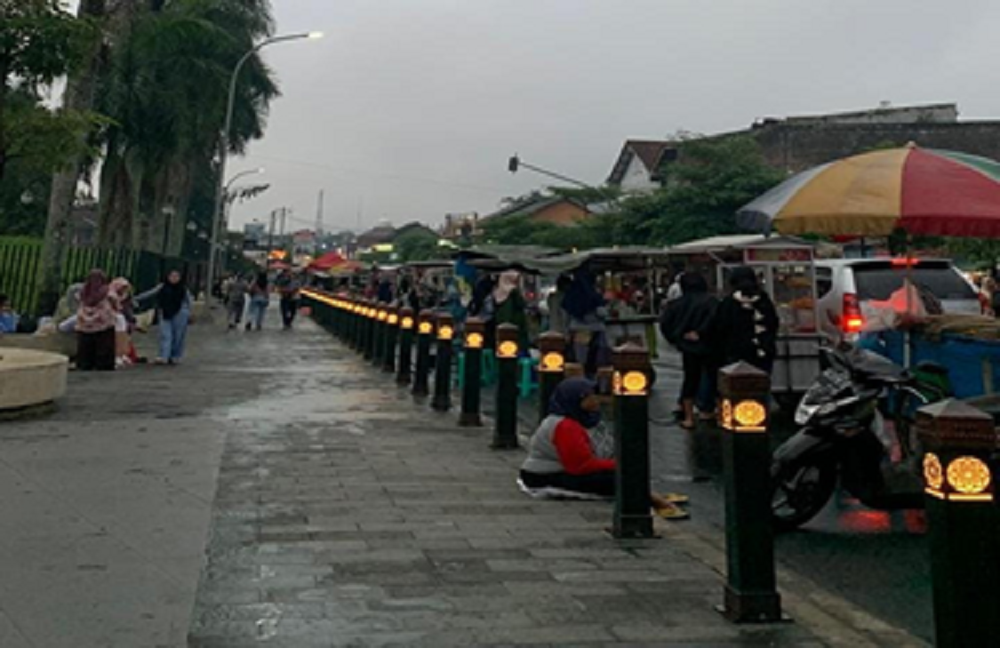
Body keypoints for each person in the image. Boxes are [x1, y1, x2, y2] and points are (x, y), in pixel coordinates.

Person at [520, 378, 689, 519]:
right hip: (543, 477)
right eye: (588, 397)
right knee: (616, 479)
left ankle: (649, 494)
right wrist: (617, 464)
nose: (595, 400)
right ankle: (655, 501)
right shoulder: (565, 425)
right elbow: (579, 466)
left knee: (622, 474)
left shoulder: (582, 419)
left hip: (564, 470)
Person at [660, 273, 718, 429]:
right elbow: (716, 321)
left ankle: (688, 417)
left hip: (687, 347)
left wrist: (676, 339)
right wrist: (701, 333)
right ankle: (708, 410)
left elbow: (665, 324)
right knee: (712, 377)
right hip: (710, 345)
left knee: (690, 379)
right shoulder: (711, 301)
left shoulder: (675, 304)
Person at [712, 266, 779, 374]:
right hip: (762, 352)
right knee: (760, 383)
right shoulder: (764, 300)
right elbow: (773, 323)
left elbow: (721, 328)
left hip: (736, 353)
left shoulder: (728, 303)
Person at [137, 269, 192, 365]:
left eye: (176, 276)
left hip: (180, 313)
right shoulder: (162, 287)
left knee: (178, 336)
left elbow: (189, 301)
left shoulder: (183, 289)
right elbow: (150, 293)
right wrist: (135, 298)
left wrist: (189, 313)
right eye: (172, 276)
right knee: (165, 335)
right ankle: (164, 356)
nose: (174, 279)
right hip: (165, 312)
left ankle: (175, 356)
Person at [564, 269, 609, 375]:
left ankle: (580, 374)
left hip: (577, 328)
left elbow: (568, 311)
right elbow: (601, 312)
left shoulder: (573, 293)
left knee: (580, 356)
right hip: (595, 329)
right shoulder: (592, 294)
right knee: (594, 356)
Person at [75, 269, 118, 371]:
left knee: (85, 344)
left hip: (85, 324)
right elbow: (115, 303)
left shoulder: (84, 291)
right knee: (104, 344)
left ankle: (85, 363)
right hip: (103, 322)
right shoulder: (107, 291)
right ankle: (103, 364)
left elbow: (79, 300)